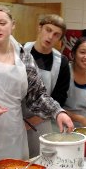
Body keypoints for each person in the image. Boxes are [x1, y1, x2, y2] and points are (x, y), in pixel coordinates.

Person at [0, 5, 74, 169]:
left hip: (12, 136)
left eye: (2, 23)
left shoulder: (24, 57)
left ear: (13, 25)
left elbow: (37, 95)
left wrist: (58, 112)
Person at [23, 14, 70, 158]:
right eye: (48, 30)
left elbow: (59, 97)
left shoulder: (61, 62)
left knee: (39, 161)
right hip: (15, 118)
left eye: (56, 35)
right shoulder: (19, 51)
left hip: (41, 122)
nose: (50, 37)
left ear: (60, 39)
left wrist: (33, 121)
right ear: (39, 28)